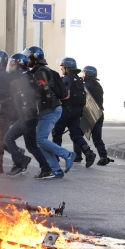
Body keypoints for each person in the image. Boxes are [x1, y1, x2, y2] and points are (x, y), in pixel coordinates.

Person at [4, 48, 56, 177]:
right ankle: (46, 169)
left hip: (27, 116)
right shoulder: (25, 77)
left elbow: (28, 97)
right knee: (31, 145)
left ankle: (18, 165)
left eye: (13, 64)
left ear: (20, 65)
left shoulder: (25, 78)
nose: (11, 67)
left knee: (8, 138)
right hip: (30, 116)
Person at [28, 48, 74, 179]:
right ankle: (56, 170)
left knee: (40, 139)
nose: (27, 61)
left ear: (35, 59)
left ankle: (67, 155)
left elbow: (41, 91)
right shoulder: (41, 71)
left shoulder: (42, 72)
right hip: (48, 109)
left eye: (29, 58)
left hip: (51, 109)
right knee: (40, 141)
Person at [51, 57, 96, 170]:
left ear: (67, 68)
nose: (61, 69)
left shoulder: (67, 79)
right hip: (77, 111)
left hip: (66, 110)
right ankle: (88, 153)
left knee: (57, 132)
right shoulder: (79, 79)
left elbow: (66, 95)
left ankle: (55, 157)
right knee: (75, 134)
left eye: (62, 67)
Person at [73, 66, 112, 166]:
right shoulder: (98, 85)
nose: (83, 75)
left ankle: (78, 156)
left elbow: (83, 98)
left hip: (89, 114)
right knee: (97, 138)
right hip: (99, 113)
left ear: (88, 74)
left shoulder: (87, 85)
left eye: (84, 73)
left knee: (76, 134)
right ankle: (103, 157)